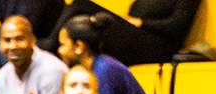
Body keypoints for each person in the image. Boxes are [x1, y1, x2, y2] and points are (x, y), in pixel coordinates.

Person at [52, 0, 203, 66]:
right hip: (138, 37)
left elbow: (177, 26)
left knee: (80, 5)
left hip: (157, 46)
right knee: (80, 15)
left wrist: (142, 23)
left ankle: (48, 47)